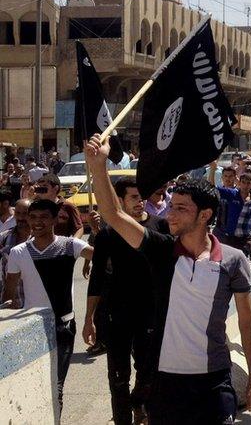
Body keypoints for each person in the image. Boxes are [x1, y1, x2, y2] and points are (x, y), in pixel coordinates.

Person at [84, 136, 251, 423]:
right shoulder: (161, 250)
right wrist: (98, 166)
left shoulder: (232, 260)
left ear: (205, 215)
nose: (171, 213)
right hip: (165, 382)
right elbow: (113, 215)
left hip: (214, 381)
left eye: (181, 208)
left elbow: (247, 321)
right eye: (172, 205)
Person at [83, 176, 169, 425]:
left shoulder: (160, 227)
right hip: (117, 315)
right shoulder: (108, 235)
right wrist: (89, 319)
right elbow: (96, 279)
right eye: (133, 197)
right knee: (118, 378)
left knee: (149, 373)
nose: (140, 201)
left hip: (152, 313)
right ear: (119, 201)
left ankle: (139, 401)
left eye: (141, 196)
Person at [2, 199, 93, 414]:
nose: (37, 222)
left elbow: (104, 257)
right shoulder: (18, 252)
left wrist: (98, 231)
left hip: (63, 327)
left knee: (56, 386)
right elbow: (10, 294)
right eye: (33, 217)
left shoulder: (70, 245)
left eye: (43, 217)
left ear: (54, 219)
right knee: (37, 387)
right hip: (33, 329)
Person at [33, 172, 83, 237]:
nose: (41, 189)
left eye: (45, 186)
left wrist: (73, 244)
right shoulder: (34, 206)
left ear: (55, 188)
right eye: (40, 187)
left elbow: (79, 228)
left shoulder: (68, 206)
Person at [0, 198, 30, 298]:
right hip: (10, 301)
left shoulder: (40, 239)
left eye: (25, 213)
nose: (21, 217)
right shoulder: (4, 237)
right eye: (18, 213)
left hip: (34, 302)